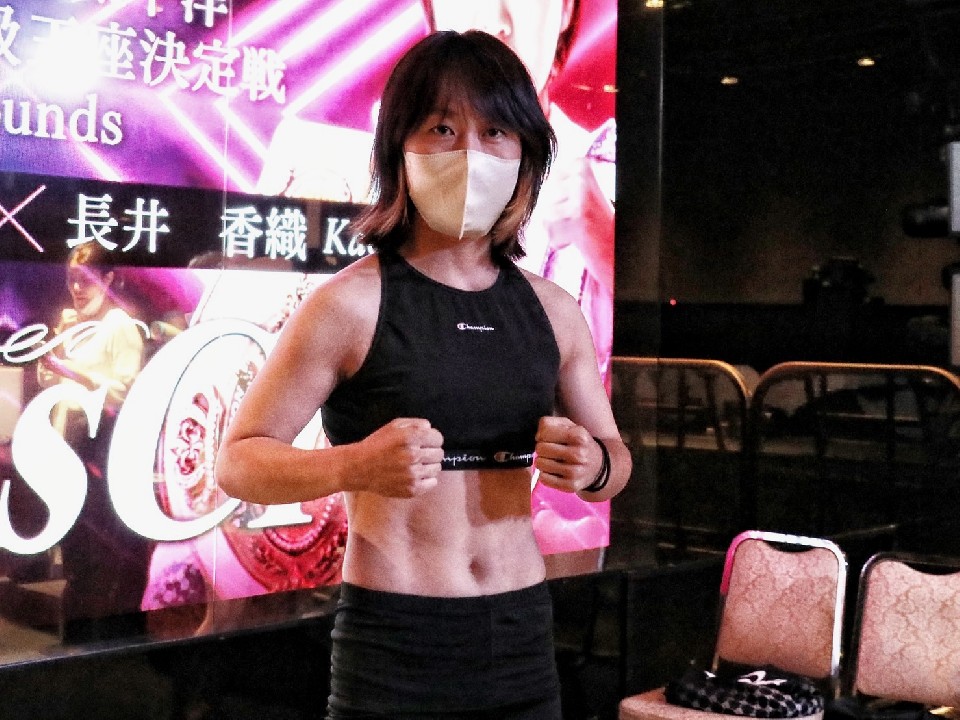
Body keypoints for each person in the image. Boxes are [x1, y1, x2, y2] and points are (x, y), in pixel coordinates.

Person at [215, 30, 630, 720]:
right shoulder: (348, 303)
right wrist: (354, 465)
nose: (471, 152)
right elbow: (238, 463)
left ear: (526, 153)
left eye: (494, 131)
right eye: (442, 128)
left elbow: (616, 461)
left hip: (522, 636)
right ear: (397, 149)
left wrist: (593, 465)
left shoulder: (555, 310)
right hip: (395, 642)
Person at [36, 242, 151, 637]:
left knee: (97, 552)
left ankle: (98, 639)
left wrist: (72, 371)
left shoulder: (119, 325)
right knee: (75, 551)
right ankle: (77, 638)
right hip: (68, 448)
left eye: (85, 281)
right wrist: (58, 344)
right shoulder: (75, 327)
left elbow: (125, 391)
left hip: (100, 453)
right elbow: (48, 380)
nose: (77, 289)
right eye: (71, 281)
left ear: (108, 280)